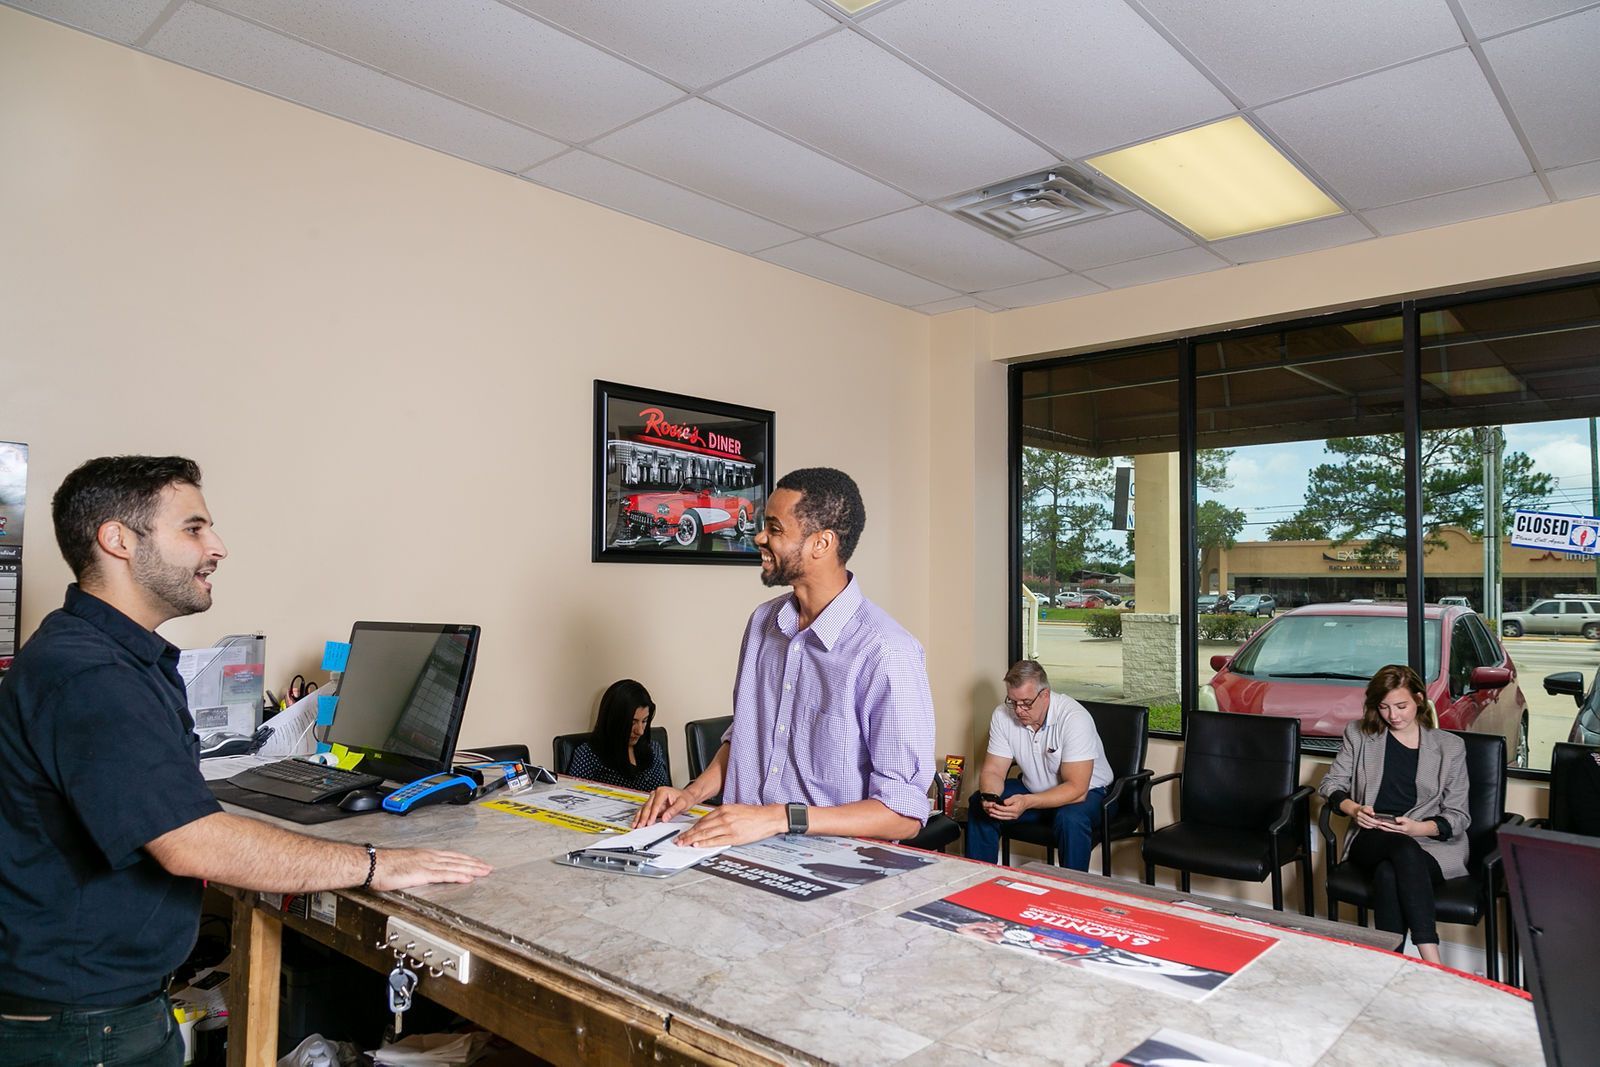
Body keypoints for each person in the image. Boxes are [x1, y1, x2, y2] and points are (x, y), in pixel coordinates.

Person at [0, 456, 491, 1062]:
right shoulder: (92, 674)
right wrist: (373, 863)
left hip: (93, 1007)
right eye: (193, 528)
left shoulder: (118, 657)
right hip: (82, 1025)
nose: (218, 546)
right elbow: (190, 842)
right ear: (118, 540)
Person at [634, 467, 934, 847]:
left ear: (820, 544)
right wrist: (690, 795)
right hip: (737, 856)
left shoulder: (887, 653)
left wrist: (779, 818)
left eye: (775, 529)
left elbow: (904, 814)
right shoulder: (763, 623)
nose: (760, 537)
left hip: (830, 878)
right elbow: (744, 741)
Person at [1317, 663, 1470, 964]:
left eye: (1401, 706)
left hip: (1428, 841)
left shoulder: (1450, 747)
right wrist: (1354, 809)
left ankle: (1390, 964)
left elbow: (1458, 815)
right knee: (1398, 847)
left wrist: (1418, 829)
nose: (1393, 715)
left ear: (1419, 699)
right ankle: (1433, 961)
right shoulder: (1359, 735)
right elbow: (1330, 783)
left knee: (1390, 872)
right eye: (1384, 707)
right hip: (1371, 836)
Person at [963, 660, 1113, 871]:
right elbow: (993, 770)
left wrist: (1027, 802)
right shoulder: (1002, 715)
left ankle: (1071, 892)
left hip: (1089, 794)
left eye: (1026, 702)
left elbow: (1077, 790)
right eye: (1012, 702)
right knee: (980, 804)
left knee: (1070, 818)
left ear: (1045, 695)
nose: (1018, 710)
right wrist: (990, 797)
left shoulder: (1074, 718)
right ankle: (977, 881)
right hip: (1033, 790)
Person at [564, 678, 671, 792]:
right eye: (632, 722)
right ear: (614, 721)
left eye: (644, 721)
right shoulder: (589, 755)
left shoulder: (654, 749)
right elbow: (572, 797)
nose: (640, 731)